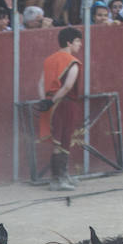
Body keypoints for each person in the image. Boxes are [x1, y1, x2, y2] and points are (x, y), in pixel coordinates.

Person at [38, 26, 82, 191]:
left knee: (58, 140)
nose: (80, 44)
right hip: (64, 103)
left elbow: (41, 83)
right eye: (77, 41)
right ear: (69, 43)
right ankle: (57, 179)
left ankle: (62, 176)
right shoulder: (73, 63)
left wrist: (45, 100)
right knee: (63, 141)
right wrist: (53, 101)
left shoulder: (49, 60)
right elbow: (67, 87)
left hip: (50, 103)